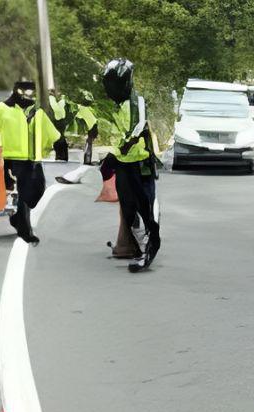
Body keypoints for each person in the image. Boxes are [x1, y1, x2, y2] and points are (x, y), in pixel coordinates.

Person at [0, 80, 62, 243]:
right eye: (26, 94)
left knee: (38, 192)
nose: (30, 97)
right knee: (24, 195)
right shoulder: (3, 109)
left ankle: (17, 218)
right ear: (17, 92)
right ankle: (26, 232)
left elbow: (52, 134)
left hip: (33, 160)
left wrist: (58, 143)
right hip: (12, 160)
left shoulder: (37, 112)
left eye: (32, 94)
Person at [101, 58, 161, 269]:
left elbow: (134, 132)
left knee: (144, 207)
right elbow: (118, 136)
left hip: (140, 164)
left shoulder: (137, 103)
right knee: (127, 208)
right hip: (124, 164)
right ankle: (136, 245)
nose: (109, 89)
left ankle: (149, 246)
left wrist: (114, 154)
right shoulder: (119, 106)